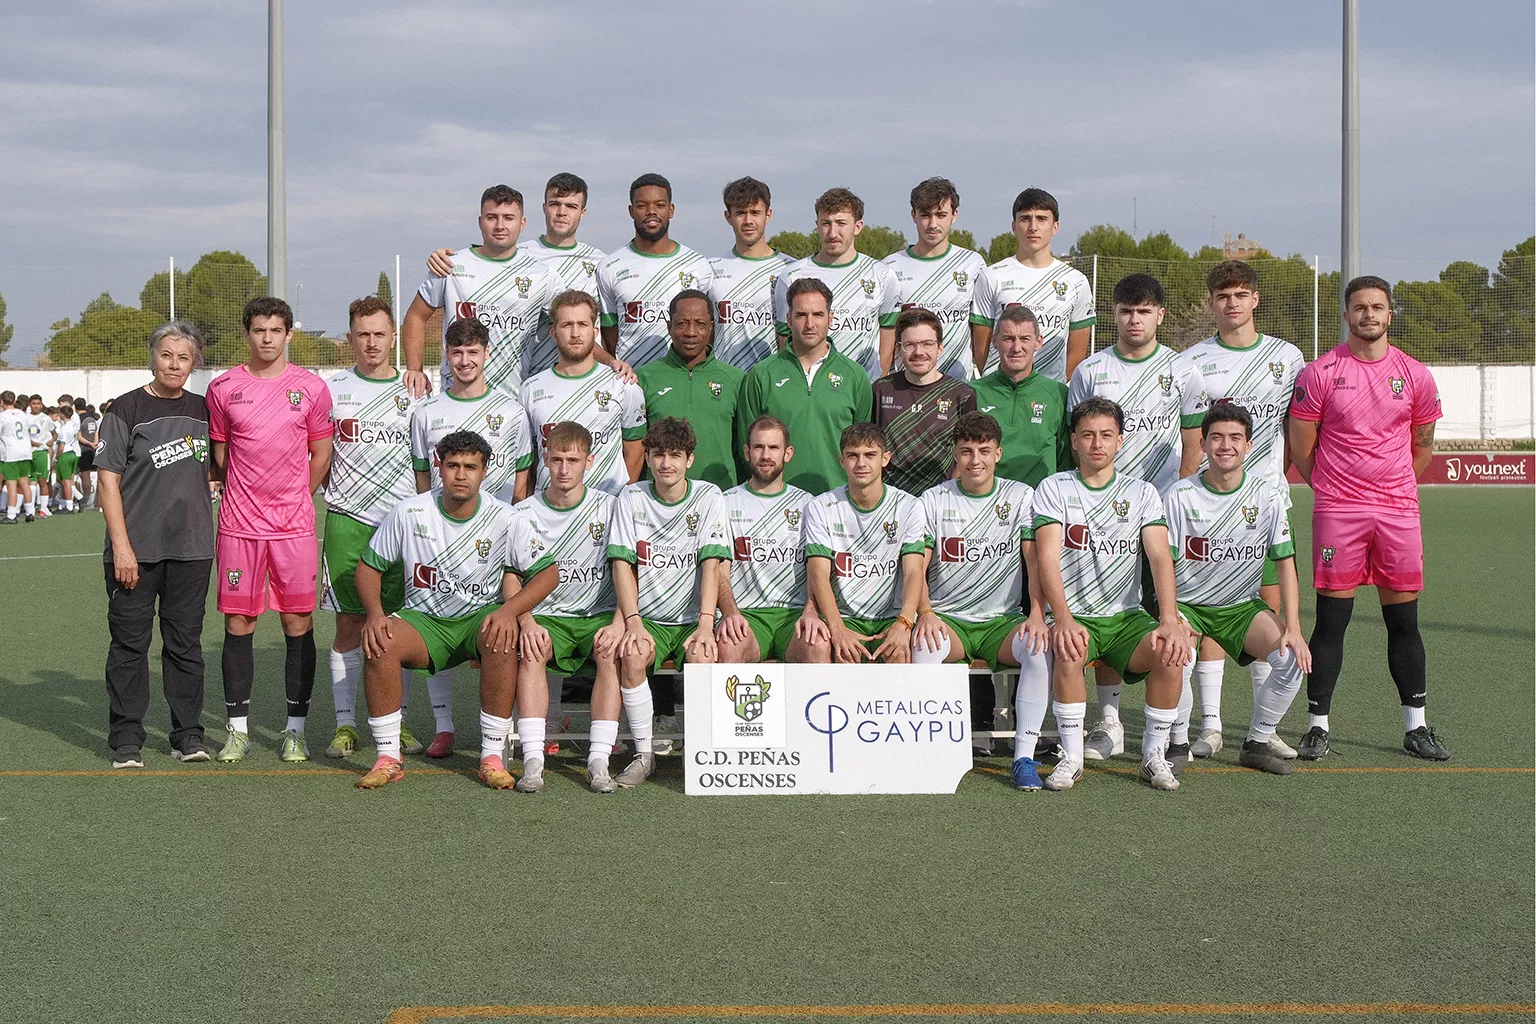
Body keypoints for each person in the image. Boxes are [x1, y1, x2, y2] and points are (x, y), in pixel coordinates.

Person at [1288, 274, 1448, 761]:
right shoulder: (1320, 372)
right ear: (1346, 314)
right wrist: (1337, 490)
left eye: (1377, 307)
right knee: (1332, 622)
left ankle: (1416, 727)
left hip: (1398, 512)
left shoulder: (1415, 374)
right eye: (1360, 308)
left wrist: (1389, 488)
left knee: (1404, 622)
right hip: (1339, 512)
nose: (1369, 315)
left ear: (1390, 313)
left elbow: (1422, 446)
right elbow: (1300, 447)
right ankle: (1317, 726)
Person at [353, 431, 557, 790]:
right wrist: (374, 614)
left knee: (503, 636)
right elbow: (369, 568)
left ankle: (491, 756)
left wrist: (510, 611)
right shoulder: (409, 511)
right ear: (439, 466)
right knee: (380, 641)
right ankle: (387, 757)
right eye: (452, 466)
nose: (461, 475)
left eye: (470, 467)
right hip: (423, 621)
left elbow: (548, 572)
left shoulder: (505, 518)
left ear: (485, 471)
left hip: (478, 618)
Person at [1067, 274, 1208, 762]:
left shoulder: (1183, 371)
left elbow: (1193, 442)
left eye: (1144, 311)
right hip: (1103, 519)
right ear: (1115, 315)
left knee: (1174, 618)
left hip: (1161, 515)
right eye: (1126, 311)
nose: (1134, 319)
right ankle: (1109, 723)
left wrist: (1179, 500)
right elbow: (1081, 440)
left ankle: (1177, 731)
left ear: (1160, 316)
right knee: (1110, 611)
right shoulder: (1090, 370)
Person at [1031, 397, 1193, 791]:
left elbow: (1159, 557)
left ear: (1120, 440)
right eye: (1087, 435)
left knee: (1170, 652)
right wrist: (1063, 617)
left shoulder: (1142, 493)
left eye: (1106, 435)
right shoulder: (1054, 488)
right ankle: (1071, 755)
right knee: (1069, 648)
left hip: (1126, 618)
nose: (1096, 444)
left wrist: (1169, 619)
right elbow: (1047, 559)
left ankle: (1153, 756)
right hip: (1075, 614)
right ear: (1073, 441)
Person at [1182, 260, 1307, 757]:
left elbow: (1296, 433)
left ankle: (1262, 725)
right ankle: (1210, 724)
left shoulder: (1288, 357)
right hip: (1210, 504)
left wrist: (1272, 478)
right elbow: (1191, 436)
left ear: (1255, 299)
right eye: (1222, 296)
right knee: (1213, 605)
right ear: (1212, 303)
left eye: (1240, 294)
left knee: (1267, 611)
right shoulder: (1193, 360)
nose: (1231, 303)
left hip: (1266, 501)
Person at [206, 297, 335, 763]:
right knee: (238, 623)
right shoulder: (223, 388)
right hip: (239, 527)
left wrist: (298, 494)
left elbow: (320, 453)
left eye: (275, 330)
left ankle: (294, 730)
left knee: (297, 622)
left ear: (289, 334)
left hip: (293, 528)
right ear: (247, 334)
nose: (266, 338)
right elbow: (222, 455)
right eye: (258, 329)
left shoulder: (312, 388)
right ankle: (237, 730)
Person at [407, 315, 534, 757]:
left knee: (504, 632)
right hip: (442, 539)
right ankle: (444, 727)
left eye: (473, 352)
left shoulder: (513, 410)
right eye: (456, 353)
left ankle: (509, 730)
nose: (464, 361)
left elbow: (521, 481)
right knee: (437, 620)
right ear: (447, 356)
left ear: (486, 354)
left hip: (496, 540)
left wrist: (513, 536)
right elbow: (423, 479)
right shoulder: (427, 414)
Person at [909, 412, 1053, 789]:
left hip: (1002, 622)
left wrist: (1037, 613)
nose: (975, 460)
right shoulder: (932, 500)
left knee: (1038, 649)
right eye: (966, 451)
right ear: (954, 456)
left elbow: (1033, 558)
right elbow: (917, 566)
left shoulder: (1020, 495)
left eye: (984, 451)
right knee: (924, 649)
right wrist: (924, 612)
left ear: (998, 453)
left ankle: (1023, 757)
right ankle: (929, 751)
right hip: (948, 619)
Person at [1165, 404, 1311, 774]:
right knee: (1176, 653)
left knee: (1292, 657)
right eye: (1216, 437)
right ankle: (1178, 742)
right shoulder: (1179, 495)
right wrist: (1169, 617)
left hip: (1239, 607)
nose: (1225, 446)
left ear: (1248, 445)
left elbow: (1285, 565)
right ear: (1203, 443)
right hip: (1188, 605)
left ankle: (1257, 742)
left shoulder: (1267, 497)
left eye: (1234, 438)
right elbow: (1161, 564)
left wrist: (1292, 627)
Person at [97, 323, 216, 768]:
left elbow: (224, 465)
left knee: (185, 644)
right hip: (135, 552)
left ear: (194, 363)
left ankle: (187, 734)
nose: (174, 364)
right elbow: (108, 482)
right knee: (130, 644)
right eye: (166, 355)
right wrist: (122, 546)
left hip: (192, 548)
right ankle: (127, 739)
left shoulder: (205, 411)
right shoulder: (126, 409)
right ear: (153, 357)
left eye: (183, 358)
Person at [321, 297, 426, 760]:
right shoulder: (332, 390)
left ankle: (395, 720)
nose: (371, 343)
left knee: (396, 628)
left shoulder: (416, 391)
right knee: (349, 623)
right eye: (362, 334)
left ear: (393, 338)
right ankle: (345, 726)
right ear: (350, 339)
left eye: (379, 334)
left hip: (400, 527)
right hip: (347, 522)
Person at [607, 417, 729, 780]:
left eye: (675, 455)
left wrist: (707, 624)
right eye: (658, 454)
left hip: (694, 617)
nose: (666, 463)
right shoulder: (631, 497)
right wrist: (633, 621)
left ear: (689, 459)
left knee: (703, 655)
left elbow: (711, 564)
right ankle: (644, 754)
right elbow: (622, 564)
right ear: (647, 457)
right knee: (632, 655)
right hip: (650, 619)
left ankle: (701, 751)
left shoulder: (709, 496)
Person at [507, 422, 626, 793]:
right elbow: (510, 574)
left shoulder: (611, 509)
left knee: (611, 652)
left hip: (597, 616)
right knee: (532, 651)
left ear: (589, 461)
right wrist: (525, 620)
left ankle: (599, 760)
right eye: (556, 459)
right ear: (544, 459)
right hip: (547, 618)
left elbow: (628, 571)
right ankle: (533, 760)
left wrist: (621, 621)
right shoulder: (524, 512)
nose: (563, 469)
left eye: (572, 460)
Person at [431, 172, 606, 379]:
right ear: (544, 208)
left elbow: (608, 326)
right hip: (527, 379)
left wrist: (611, 362)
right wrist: (440, 257)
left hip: (575, 377)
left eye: (571, 206)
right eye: (554, 204)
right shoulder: (520, 255)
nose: (561, 212)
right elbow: (481, 262)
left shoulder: (601, 263)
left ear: (583, 212)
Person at [401, 184, 557, 396]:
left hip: (512, 402)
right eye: (492, 217)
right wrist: (414, 369)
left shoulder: (542, 275)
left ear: (522, 224)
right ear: (480, 222)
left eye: (508, 218)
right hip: (455, 398)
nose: (500, 225)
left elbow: (570, 325)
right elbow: (415, 316)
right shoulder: (450, 266)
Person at [736, 278, 873, 496]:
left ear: (831, 318)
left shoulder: (854, 376)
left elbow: (863, 449)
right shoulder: (762, 375)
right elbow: (746, 447)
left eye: (818, 314)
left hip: (837, 503)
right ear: (789, 319)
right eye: (801, 315)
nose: (810, 324)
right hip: (777, 503)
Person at [803, 423, 926, 664]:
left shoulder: (910, 506)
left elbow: (914, 571)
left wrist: (904, 622)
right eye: (853, 455)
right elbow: (818, 573)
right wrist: (837, 628)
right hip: (845, 617)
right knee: (843, 654)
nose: (861, 463)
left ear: (885, 458)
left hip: (892, 616)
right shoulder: (821, 506)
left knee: (900, 654)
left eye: (870, 455)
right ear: (841, 461)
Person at [716, 415, 831, 664]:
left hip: (794, 615)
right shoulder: (725, 503)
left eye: (774, 448)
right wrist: (730, 613)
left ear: (788, 453)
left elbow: (817, 569)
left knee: (818, 644)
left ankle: (814, 705)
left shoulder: (809, 505)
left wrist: (811, 610)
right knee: (728, 643)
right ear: (747, 452)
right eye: (758, 447)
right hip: (748, 614)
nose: (766, 455)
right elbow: (719, 571)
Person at [522, 290, 646, 497]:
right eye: (567, 325)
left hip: (607, 508)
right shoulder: (531, 389)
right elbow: (529, 460)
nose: (575, 333)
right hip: (549, 509)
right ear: (553, 333)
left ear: (595, 331)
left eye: (582, 324)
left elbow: (635, 451)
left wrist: (622, 500)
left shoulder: (623, 385)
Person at [772, 188, 900, 378]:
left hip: (862, 391)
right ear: (817, 225)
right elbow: (785, 341)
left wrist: (874, 387)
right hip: (810, 391)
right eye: (826, 223)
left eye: (841, 223)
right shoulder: (791, 275)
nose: (832, 233)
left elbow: (887, 341)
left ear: (857, 226)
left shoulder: (881, 274)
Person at [970, 187, 1095, 382]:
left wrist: (1048, 387)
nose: (1033, 227)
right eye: (1025, 218)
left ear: (1055, 227)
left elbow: (1076, 352)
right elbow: (981, 349)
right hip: (999, 391)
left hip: (1049, 394)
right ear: (1014, 226)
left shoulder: (1075, 281)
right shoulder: (991, 276)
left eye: (1042, 219)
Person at [597, 173, 716, 369]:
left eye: (659, 205)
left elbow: (708, 330)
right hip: (630, 381)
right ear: (631, 210)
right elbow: (610, 332)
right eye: (642, 205)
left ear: (671, 210)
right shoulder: (610, 266)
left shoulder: (698, 265)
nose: (651, 212)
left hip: (682, 378)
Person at [635, 289, 742, 491]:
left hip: (720, 496)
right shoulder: (644, 378)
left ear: (711, 328)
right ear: (669, 327)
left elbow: (743, 448)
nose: (691, 332)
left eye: (700, 324)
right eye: (682, 323)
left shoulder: (735, 380)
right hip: (660, 498)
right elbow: (636, 449)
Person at [882, 177, 987, 379]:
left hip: (957, 386)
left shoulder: (972, 263)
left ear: (954, 215)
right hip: (907, 387)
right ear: (913, 215)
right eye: (925, 215)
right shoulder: (890, 267)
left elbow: (980, 332)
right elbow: (885, 334)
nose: (933, 224)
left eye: (941, 215)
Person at [871, 307, 977, 495]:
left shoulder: (961, 394)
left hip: (940, 501)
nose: (918, 352)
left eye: (927, 344)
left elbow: (969, 451)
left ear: (940, 347)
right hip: (890, 501)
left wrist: (948, 494)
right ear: (898, 349)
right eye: (910, 344)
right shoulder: (880, 390)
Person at [969, 306, 1070, 487]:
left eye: (1025, 339)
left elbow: (1065, 458)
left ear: (1038, 342)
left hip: (1039, 503)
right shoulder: (972, 392)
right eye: (1008, 339)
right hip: (986, 502)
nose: (1016, 348)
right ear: (994, 341)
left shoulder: (1059, 393)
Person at [708, 176, 796, 371]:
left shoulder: (791, 269)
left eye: (755, 212)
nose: (748, 221)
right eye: (740, 213)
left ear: (768, 215)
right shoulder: (711, 269)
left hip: (772, 383)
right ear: (728, 217)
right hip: (723, 384)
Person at [0, 390, 33, 523]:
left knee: (11, 484)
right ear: (14, 401)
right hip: (25, 451)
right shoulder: (23, 415)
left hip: (11, 453)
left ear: (2, 402)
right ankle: (30, 512)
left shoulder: (2, 416)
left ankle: (12, 514)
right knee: (25, 482)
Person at [25, 394, 55, 518]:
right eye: (33, 403)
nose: (36, 406)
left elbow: (54, 433)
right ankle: (30, 509)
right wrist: (35, 443)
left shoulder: (46, 419)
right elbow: (24, 436)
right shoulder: (25, 417)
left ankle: (43, 508)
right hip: (27, 452)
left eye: (38, 404)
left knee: (43, 480)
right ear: (29, 405)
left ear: (41, 405)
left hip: (41, 453)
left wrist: (50, 442)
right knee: (29, 481)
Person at [52, 402, 80, 513]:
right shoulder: (73, 425)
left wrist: (56, 458)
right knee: (66, 479)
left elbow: (61, 447)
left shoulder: (64, 428)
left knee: (66, 481)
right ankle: (64, 505)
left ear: (63, 414)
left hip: (66, 454)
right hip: (73, 452)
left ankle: (69, 506)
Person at [76, 399, 99, 510]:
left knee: (84, 475)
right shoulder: (91, 418)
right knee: (92, 474)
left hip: (83, 449)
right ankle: (92, 501)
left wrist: (89, 443)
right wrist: (95, 443)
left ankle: (86, 500)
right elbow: (96, 432)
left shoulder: (78, 419)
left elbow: (78, 435)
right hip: (93, 449)